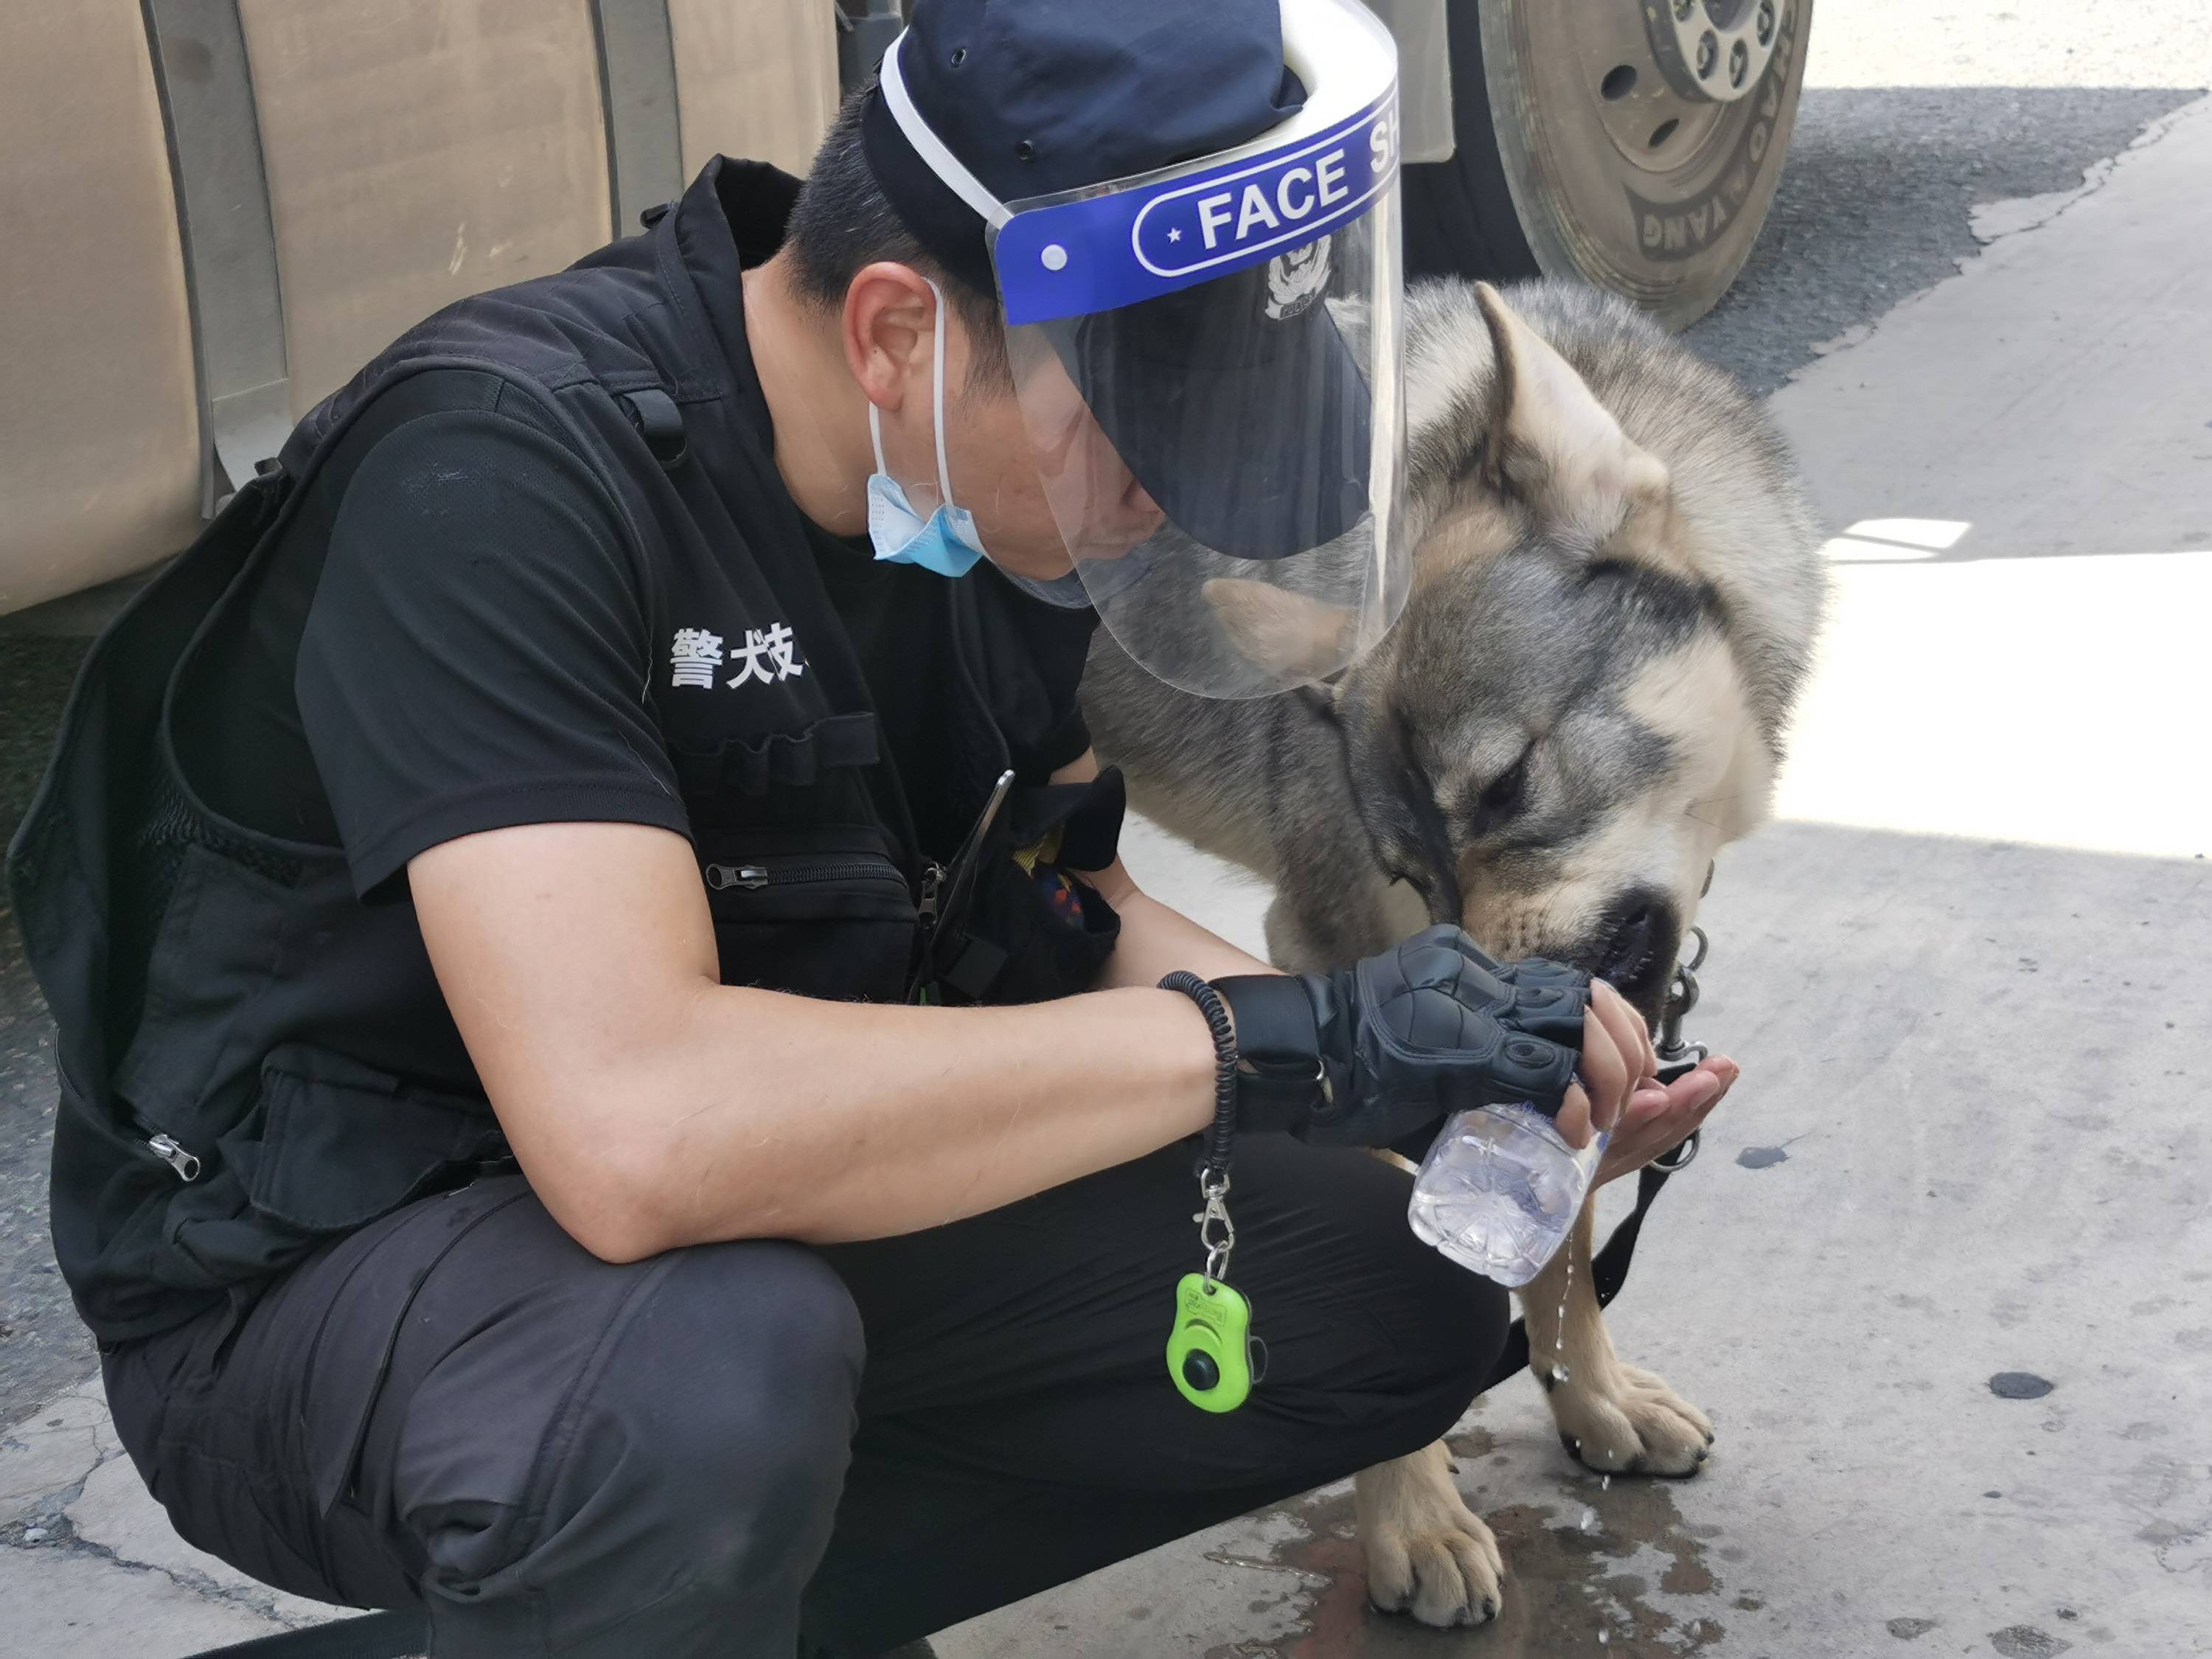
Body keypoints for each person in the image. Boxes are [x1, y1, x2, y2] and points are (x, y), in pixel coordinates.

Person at [10, 1, 1734, 1655]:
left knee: (1403, 1278)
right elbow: (638, 1130)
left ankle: (707, 1610)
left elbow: (1073, 910)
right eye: (1130, 433)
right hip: (333, 1276)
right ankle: (641, 1574)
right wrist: (1276, 1036)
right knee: (702, 1387)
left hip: (743, 1228)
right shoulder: (500, 477)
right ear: (902, 331)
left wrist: (1449, 1082)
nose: (1154, 499)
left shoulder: (977, 509)